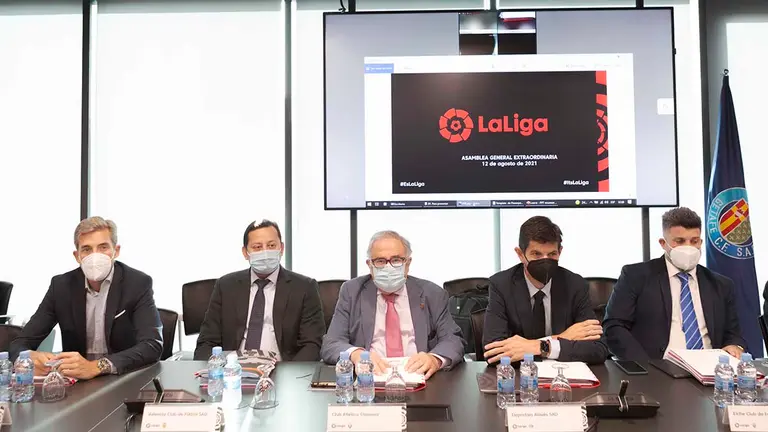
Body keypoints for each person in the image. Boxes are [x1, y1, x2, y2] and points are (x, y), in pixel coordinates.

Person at [10, 217, 162, 379]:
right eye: (87, 249)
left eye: (103, 247)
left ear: (115, 251)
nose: (95, 256)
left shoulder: (137, 283)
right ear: (77, 256)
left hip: (123, 377)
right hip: (76, 382)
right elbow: (19, 343)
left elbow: (152, 345)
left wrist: (97, 366)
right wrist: (27, 358)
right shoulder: (61, 286)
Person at [604, 207, 745, 360]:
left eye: (694, 241)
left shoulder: (721, 285)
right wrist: (645, 366)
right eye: (680, 241)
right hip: (657, 369)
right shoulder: (635, 276)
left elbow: (733, 334)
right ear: (663, 243)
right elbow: (614, 327)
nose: (688, 247)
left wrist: (734, 345)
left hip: (709, 368)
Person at [321, 231, 464, 379]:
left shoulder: (432, 293)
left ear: (407, 264)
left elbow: (453, 339)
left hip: (419, 378)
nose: (388, 267)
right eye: (380, 261)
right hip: (369, 379)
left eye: (396, 260)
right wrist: (356, 355)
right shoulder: (351, 291)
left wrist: (434, 359)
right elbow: (332, 343)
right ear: (370, 265)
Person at [483, 216, 608, 365]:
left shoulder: (575, 285)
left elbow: (598, 349)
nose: (545, 260)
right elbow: (494, 352)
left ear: (560, 252)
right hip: (520, 379)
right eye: (536, 254)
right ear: (520, 254)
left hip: (564, 378)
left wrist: (538, 347)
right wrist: (561, 339)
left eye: (552, 254)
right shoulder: (502, 285)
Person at [194, 220, 324, 361]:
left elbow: (312, 344)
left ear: (281, 248)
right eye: (257, 247)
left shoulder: (304, 287)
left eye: (271, 245)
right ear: (245, 252)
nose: (265, 252)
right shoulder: (226, 286)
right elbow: (206, 342)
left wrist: (291, 376)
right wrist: (215, 372)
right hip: (233, 371)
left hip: (282, 370)